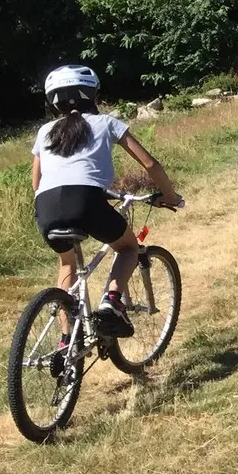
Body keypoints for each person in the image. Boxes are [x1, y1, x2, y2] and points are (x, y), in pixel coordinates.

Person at [32, 65, 182, 341]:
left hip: (46, 205)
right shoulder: (107, 123)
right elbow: (150, 163)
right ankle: (112, 301)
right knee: (128, 247)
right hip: (85, 200)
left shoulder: (45, 131)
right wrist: (169, 196)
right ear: (92, 94)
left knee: (67, 265)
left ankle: (68, 341)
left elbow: (37, 181)